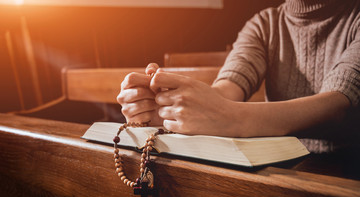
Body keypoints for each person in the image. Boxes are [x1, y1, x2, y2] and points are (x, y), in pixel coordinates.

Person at [117, 0, 360, 154]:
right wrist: (170, 105)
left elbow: (338, 106)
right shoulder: (265, 23)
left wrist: (227, 116)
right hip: (285, 173)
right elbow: (225, 91)